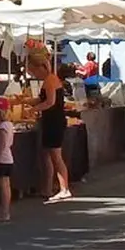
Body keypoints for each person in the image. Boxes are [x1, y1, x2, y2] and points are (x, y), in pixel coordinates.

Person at [39, 64, 74, 203]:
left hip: (54, 122)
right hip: (51, 121)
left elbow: (49, 102)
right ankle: (48, 187)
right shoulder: (51, 80)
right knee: (48, 154)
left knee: (56, 156)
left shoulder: (51, 80)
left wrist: (34, 108)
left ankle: (64, 188)